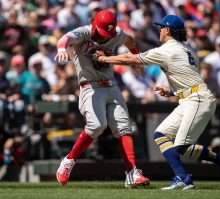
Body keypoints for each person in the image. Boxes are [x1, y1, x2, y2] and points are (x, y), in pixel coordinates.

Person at [93, 15, 220, 190]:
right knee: (161, 135)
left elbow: (130, 59)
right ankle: (182, 178)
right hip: (190, 98)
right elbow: (189, 79)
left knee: (182, 145)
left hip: (197, 99)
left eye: (161, 27)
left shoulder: (167, 50)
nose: (159, 30)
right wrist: (172, 92)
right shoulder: (188, 50)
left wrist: (102, 59)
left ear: (168, 30)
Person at [54, 10, 149, 188]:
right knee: (97, 126)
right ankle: (69, 160)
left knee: (124, 128)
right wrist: (61, 49)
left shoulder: (117, 33)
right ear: (95, 25)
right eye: (103, 32)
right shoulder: (85, 32)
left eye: (109, 34)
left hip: (111, 85)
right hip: (90, 85)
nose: (106, 38)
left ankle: (132, 173)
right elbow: (63, 40)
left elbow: (129, 41)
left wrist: (136, 58)